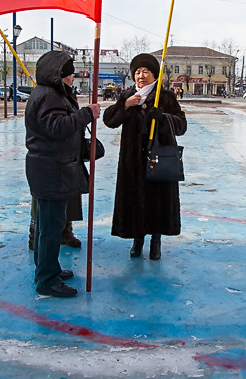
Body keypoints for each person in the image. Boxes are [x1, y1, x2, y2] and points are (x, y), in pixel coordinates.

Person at [25, 51, 100, 298]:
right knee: (51, 227)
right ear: (58, 75)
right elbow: (57, 127)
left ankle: (47, 270)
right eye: (68, 74)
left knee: (50, 225)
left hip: (50, 169)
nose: (72, 78)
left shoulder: (50, 93)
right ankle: (47, 280)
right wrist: (87, 113)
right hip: (51, 171)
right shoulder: (48, 96)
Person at [103, 53, 187, 260]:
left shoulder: (164, 96)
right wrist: (125, 105)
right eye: (138, 72)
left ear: (154, 74)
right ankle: (137, 239)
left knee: (157, 200)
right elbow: (109, 120)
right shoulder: (128, 94)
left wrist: (164, 118)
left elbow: (181, 125)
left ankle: (156, 240)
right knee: (135, 201)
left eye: (146, 71)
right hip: (132, 161)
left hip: (157, 159)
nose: (141, 75)